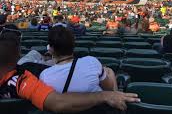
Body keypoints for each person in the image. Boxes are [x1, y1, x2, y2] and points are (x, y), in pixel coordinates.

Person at [0, 29, 140, 112]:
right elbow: (58, 103)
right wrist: (106, 95)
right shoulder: (21, 81)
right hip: (98, 106)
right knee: (108, 71)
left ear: (51, 48)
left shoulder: (43, 75)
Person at [40, 26, 118, 92]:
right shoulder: (92, 62)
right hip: (95, 108)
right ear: (73, 45)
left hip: (63, 109)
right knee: (109, 71)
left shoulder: (45, 75)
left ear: (51, 49)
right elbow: (109, 89)